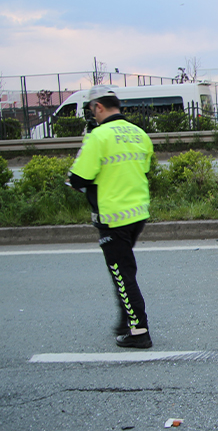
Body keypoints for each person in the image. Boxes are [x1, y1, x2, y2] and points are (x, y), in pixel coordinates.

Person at [68, 86, 155, 349]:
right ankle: (125, 322)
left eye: (92, 110)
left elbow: (77, 178)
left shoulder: (98, 136)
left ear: (98, 107)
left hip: (112, 217)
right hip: (137, 213)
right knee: (122, 271)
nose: (92, 115)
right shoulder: (139, 133)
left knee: (122, 274)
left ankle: (139, 332)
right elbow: (145, 168)